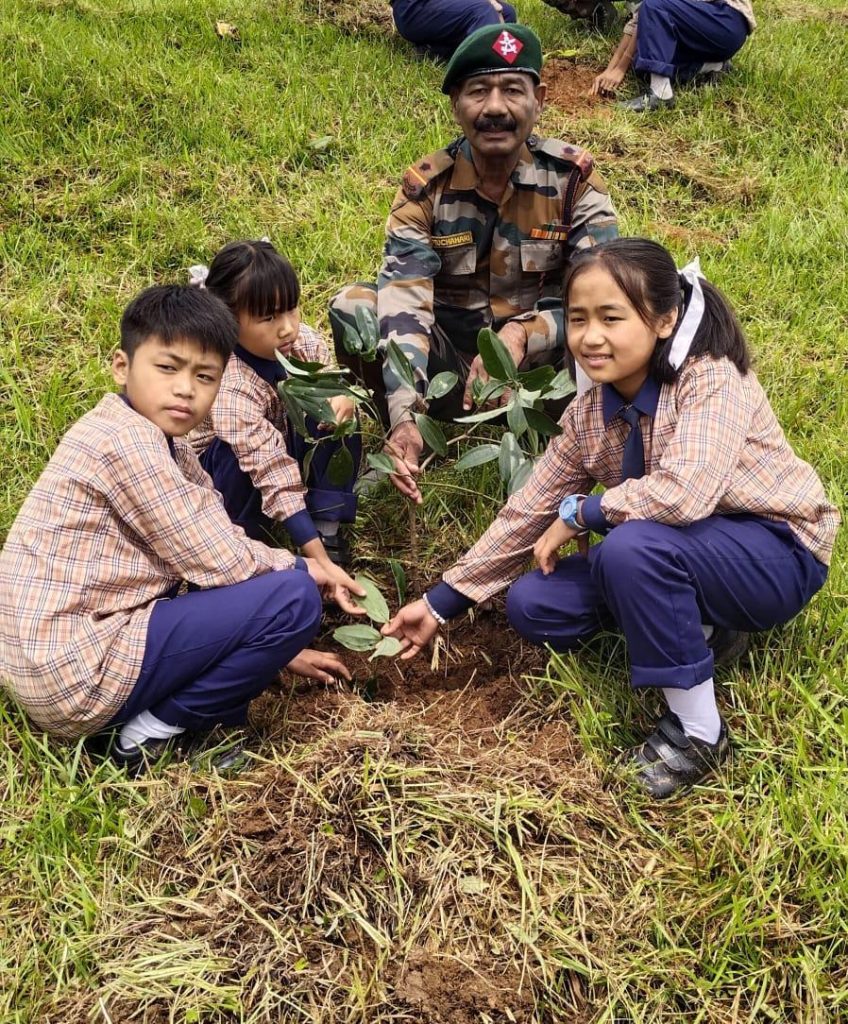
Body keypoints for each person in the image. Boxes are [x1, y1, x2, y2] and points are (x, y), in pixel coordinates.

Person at [382, 238, 839, 799]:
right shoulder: (589, 413)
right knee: (535, 604)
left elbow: (685, 494)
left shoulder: (710, 379)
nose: (590, 337)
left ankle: (699, 731)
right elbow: (530, 510)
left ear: (664, 319)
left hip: (773, 549)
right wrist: (440, 603)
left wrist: (585, 511)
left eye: (611, 318)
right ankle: (703, 629)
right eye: (577, 319)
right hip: (676, 550)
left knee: (631, 549)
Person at [0, 285, 363, 773]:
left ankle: (178, 710)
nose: (186, 389)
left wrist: (276, 651)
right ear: (122, 367)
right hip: (76, 671)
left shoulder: (148, 436)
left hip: (53, 659)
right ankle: (148, 734)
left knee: (275, 595)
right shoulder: (131, 445)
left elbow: (208, 541)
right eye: (167, 368)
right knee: (293, 598)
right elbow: (221, 560)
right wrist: (309, 568)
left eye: (205, 376)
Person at [329, 22, 618, 504]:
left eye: (512, 90)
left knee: (631, 318)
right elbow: (405, 303)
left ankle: (576, 441)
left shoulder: (573, 184)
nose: (496, 108)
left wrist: (523, 333)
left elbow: (608, 300)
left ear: (539, 99)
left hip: (543, 378)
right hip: (450, 370)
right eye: (479, 91)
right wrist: (405, 415)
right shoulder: (426, 189)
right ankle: (414, 436)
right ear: (456, 105)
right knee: (354, 306)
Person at [188, 239, 360, 566]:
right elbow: (266, 464)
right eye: (269, 317)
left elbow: (330, 382)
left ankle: (326, 522)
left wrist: (342, 399)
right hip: (234, 473)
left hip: (280, 447)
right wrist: (315, 559)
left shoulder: (303, 343)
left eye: (291, 308)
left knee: (336, 406)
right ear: (229, 321)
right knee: (234, 458)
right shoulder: (230, 382)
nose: (287, 327)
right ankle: (247, 539)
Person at [591, 0, 755, 111]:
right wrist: (610, 70)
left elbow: (650, 9)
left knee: (654, 7)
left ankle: (661, 94)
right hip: (702, 28)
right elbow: (638, 22)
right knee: (645, 59)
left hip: (725, 20)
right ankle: (714, 66)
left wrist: (619, 69)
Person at [391, 0, 517, 62]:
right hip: (415, 9)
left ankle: (436, 50)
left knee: (507, 13)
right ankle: (495, 70)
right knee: (483, 11)